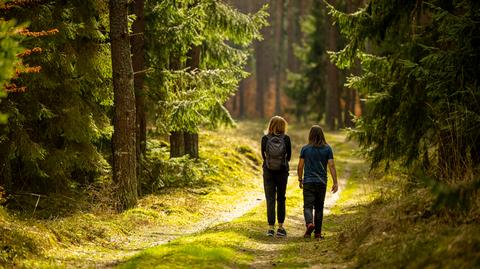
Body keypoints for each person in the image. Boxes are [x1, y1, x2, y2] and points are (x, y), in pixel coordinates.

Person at [297, 125, 338, 239]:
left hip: (309, 182)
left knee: (308, 206)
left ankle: (309, 224)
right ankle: (318, 233)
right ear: (322, 135)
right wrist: (335, 182)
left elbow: (300, 166)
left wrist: (300, 179)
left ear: (310, 135)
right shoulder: (327, 149)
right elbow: (331, 165)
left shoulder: (305, 149)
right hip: (321, 182)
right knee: (319, 207)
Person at [261, 116, 291, 237]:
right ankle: (280, 228)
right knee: (281, 198)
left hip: (268, 171)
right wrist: (281, 163)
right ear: (283, 126)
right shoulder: (286, 139)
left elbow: (263, 155)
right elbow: (288, 156)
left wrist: (270, 163)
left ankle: (270, 228)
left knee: (270, 199)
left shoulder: (265, 138)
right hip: (282, 171)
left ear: (270, 125)